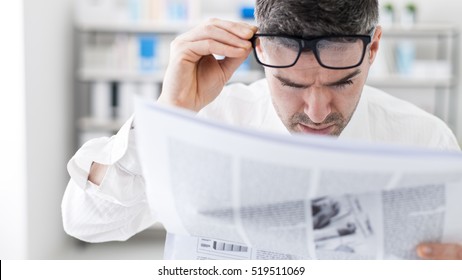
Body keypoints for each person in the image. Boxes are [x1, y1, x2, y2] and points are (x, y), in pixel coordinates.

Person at [62, 0, 462, 259]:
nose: (318, 113)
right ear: (260, 52)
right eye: (292, 85)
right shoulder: (209, 118)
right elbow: (84, 221)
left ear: (373, 49)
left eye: (342, 83)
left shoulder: (425, 139)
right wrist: (170, 112)